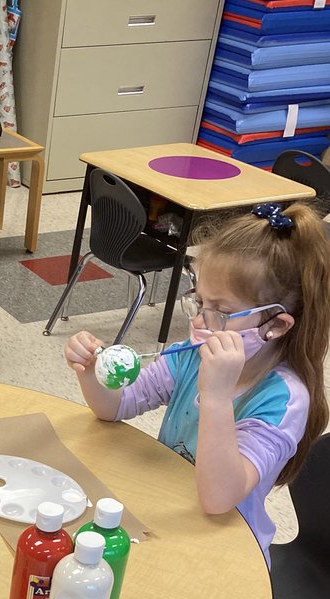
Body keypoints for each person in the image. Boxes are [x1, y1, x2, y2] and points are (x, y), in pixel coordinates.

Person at [65, 201, 330, 561]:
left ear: (276, 326)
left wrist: (217, 397)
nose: (202, 322)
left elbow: (219, 498)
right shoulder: (193, 353)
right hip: (169, 516)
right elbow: (117, 407)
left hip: (227, 550)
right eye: (200, 301)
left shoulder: (284, 400)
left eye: (221, 311)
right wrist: (92, 372)